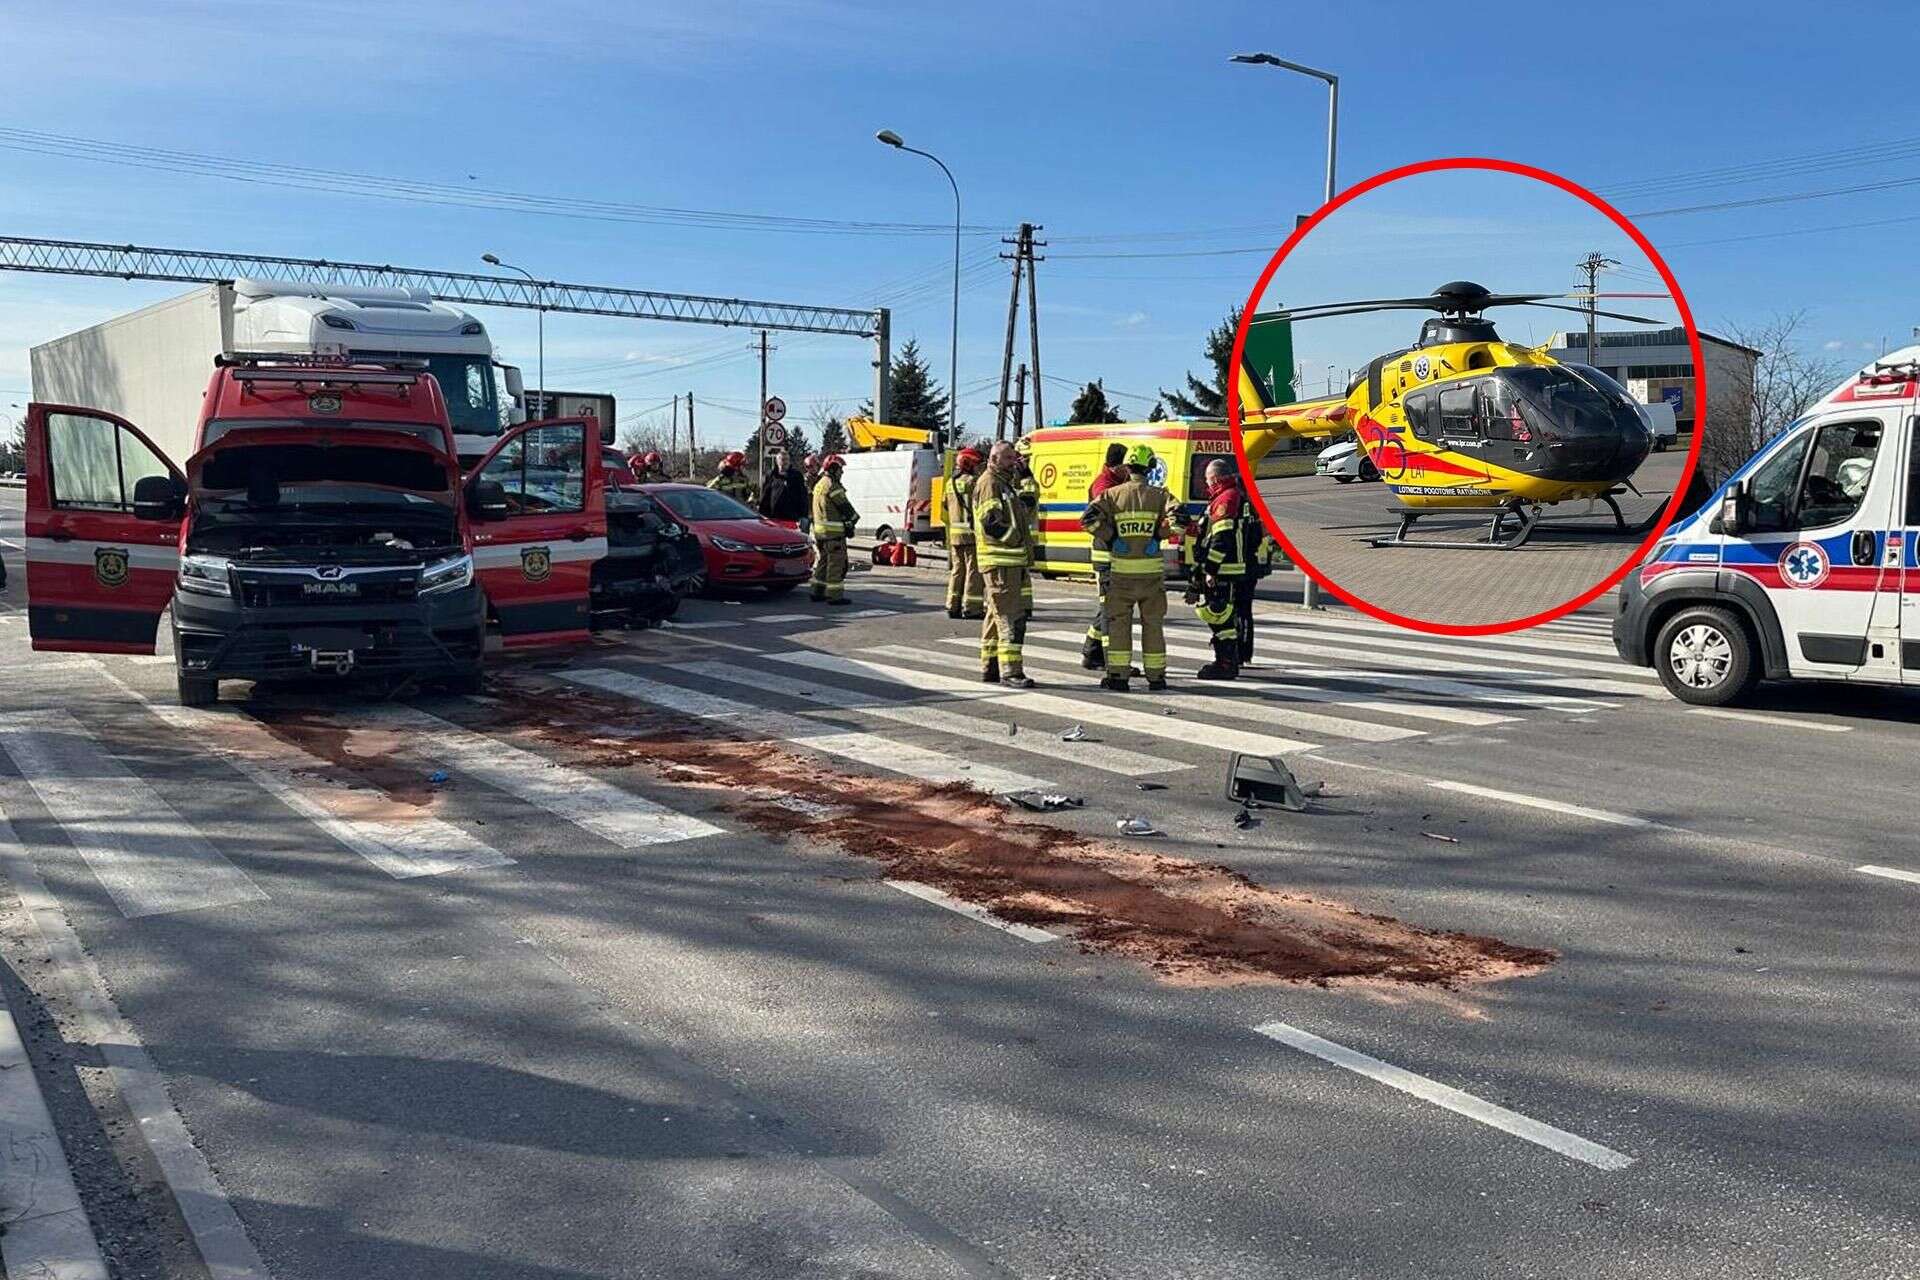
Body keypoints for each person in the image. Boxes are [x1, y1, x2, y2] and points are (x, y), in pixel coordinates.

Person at [1080, 443, 1173, 692]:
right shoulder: (1161, 495)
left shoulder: (1111, 494)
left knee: (1119, 625)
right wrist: (1158, 535)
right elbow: (1181, 519)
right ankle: (1156, 677)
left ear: (1128, 466)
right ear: (1150, 467)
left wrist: (1111, 538)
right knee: (1153, 625)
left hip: (1120, 573)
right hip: (1151, 574)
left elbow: (1087, 519)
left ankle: (1118, 677)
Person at [973, 441, 1035, 688]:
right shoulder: (990, 483)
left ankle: (991, 666)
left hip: (1009, 562)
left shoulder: (1005, 484)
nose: (1014, 463)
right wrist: (1017, 540)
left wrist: (1027, 475)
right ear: (994, 458)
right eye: (1009, 459)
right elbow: (990, 522)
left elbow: (1029, 506)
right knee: (1011, 618)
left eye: (1015, 458)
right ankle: (1012, 672)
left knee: (995, 615)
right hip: (1001, 562)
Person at [1187, 458, 1252, 680]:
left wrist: (1211, 569)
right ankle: (1225, 661)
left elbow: (1222, 538)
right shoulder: (1224, 496)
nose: (1206, 484)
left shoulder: (1227, 498)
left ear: (1214, 479)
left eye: (1207, 480)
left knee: (1221, 617)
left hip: (1226, 569)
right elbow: (1210, 532)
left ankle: (1226, 663)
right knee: (1220, 617)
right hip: (1226, 568)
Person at [1081, 441, 1130, 670]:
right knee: (1112, 609)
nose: (1129, 470)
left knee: (1110, 608)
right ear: (1116, 466)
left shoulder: (1118, 482)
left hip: (1118, 556)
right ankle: (1106, 658)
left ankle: (1092, 651)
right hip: (1107, 556)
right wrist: (1114, 538)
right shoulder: (1103, 486)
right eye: (1125, 466)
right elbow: (1095, 520)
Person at [808, 453, 858, 605]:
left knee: (823, 563)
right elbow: (846, 509)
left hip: (820, 533)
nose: (842, 472)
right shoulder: (833, 486)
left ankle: (817, 592)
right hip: (834, 534)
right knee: (836, 565)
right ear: (834, 469)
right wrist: (852, 522)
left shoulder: (819, 484)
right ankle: (835, 596)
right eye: (840, 469)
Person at [944, 446, 986, 619]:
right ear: (968, 464)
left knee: (957, 570)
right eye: (976, 464)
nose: (977, 468)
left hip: (954, 534)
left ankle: (952, 605)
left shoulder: (949, 483)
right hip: (970, 533)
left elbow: (945, 505)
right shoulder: (972, 482)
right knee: (973, 572)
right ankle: (971, 607)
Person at [1011, 435, 1040, 617]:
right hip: (1022, 535)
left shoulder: (1027, 482)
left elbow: (1026, 503)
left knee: (1020, 575)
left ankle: (1023, 606)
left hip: (1022, 535)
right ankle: (1024, 605)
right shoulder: (1022, 481)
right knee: (1023, 575)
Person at [758, 450, 808, 526]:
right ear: (777, 461)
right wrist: (762, 512)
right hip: (773, 517)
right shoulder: (771, 475)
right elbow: (765, 494)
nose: (785, 462)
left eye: (787, 459)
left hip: (791, 517)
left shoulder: (796, 476)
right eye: (782, 459)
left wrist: (803, 515)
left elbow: (803, 496)